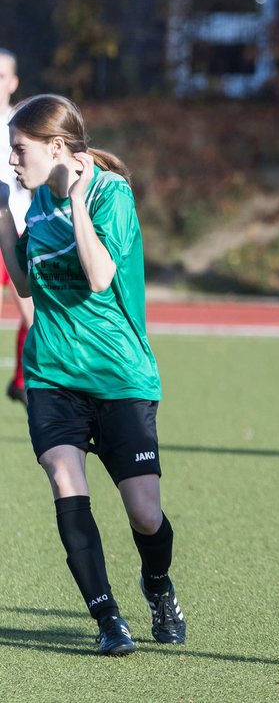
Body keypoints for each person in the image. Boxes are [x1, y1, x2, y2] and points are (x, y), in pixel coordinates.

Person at [0, 94, 185, 656]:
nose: (12, 161)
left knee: (146, 514)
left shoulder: (112, 195)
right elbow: (28, 287)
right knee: (64, 482)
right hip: (52, 375)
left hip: (120, 377)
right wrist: (5, 219)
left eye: (19, 149)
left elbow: (100, 275)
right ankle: (107, 619)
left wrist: (77, 202)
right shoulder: (32, 206)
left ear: (58, 147)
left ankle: (156, 586)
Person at [0, 49, 34, 405]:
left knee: (34, 314)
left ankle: (22, 382)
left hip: (22, 230)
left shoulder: (23, 124)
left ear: (13, 82)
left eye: (0, 75)